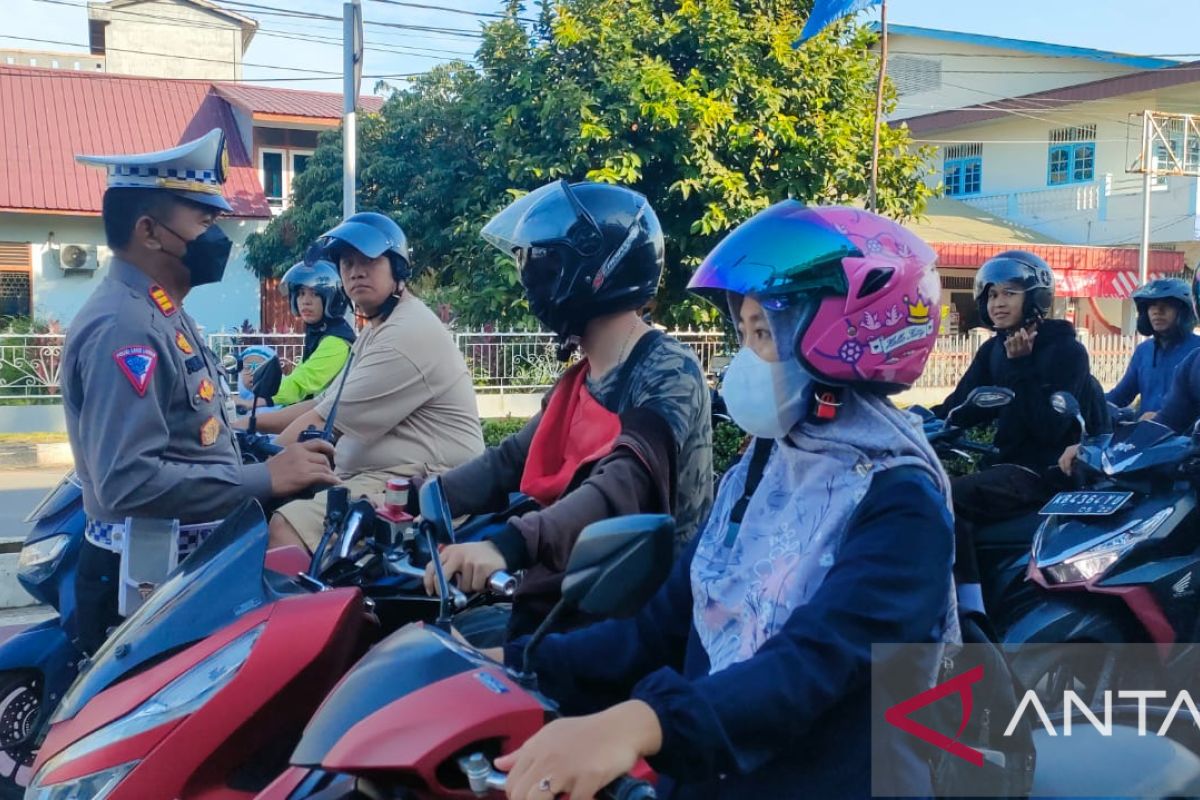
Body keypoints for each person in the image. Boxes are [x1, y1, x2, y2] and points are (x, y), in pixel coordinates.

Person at [492, 203, 956, 800]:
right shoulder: (763, 467)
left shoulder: (903, 503)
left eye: (763, 333)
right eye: (743, 332)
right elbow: (661, 624)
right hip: (710, 772)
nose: (744, 357)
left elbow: (813, 665)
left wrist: (643, 723)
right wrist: (516, 663)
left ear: (836, 339)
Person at [63, 129, 338, 653]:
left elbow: (193, 435)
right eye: (204, 221)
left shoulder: (161, 310)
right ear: (149, 231)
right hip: (142, 581)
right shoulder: (126, 325)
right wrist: (265, 477)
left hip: (182, 567)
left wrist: (269, 453)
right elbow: (128, 481)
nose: (220, 236)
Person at [422, 179, 713, 641]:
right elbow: (511, 460)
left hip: (641, 621)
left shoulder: (668, 369)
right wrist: (424, 499)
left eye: (545, 265)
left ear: (595, 270)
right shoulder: (580, 378)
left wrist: (512, 544)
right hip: (572, 593)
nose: (531, 282)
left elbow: (623, 484)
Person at [263, 211, 485, 550]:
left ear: (397, 268)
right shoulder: (376, 331)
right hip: (378, 476)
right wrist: (242, 428)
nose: (355, 271)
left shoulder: (405, 333)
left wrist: (258, 474)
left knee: (285, 527)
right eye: (346, 263)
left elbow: (323, 422)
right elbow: (321, 404)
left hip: (421, 485)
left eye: (368, 260)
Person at [932, 250, 1105, 615]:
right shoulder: (994, 348)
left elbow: (1049, 427)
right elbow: (956, 407)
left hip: (1042, 472)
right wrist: (911, 423)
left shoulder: (1064, 349)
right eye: (992, 294)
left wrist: (1021, 367)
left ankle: (969, 611)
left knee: (948, 499)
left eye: (1009, 293)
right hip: (1006, 468)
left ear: (1035, 297)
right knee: (923, 489)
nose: (998, 303)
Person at [236, 258, 355, 411]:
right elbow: (296, 377)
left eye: (315, 294)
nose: (305, 301)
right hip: (316, 414)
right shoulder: (318, 335)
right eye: (301, 293)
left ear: (332, 299)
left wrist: (253, 401)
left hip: (332, 424)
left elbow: (301, 383)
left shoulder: (336, 341)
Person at [1105, 277, 1200, 417]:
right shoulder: (1144, 351)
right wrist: (1089, 402)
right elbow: (1121, 395)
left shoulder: (1197, 351)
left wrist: (1163, 417)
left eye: (1167, 305)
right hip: (1148, 435)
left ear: (1184, 312)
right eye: (1152, 305)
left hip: (1187, 437)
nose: (1157, 311)